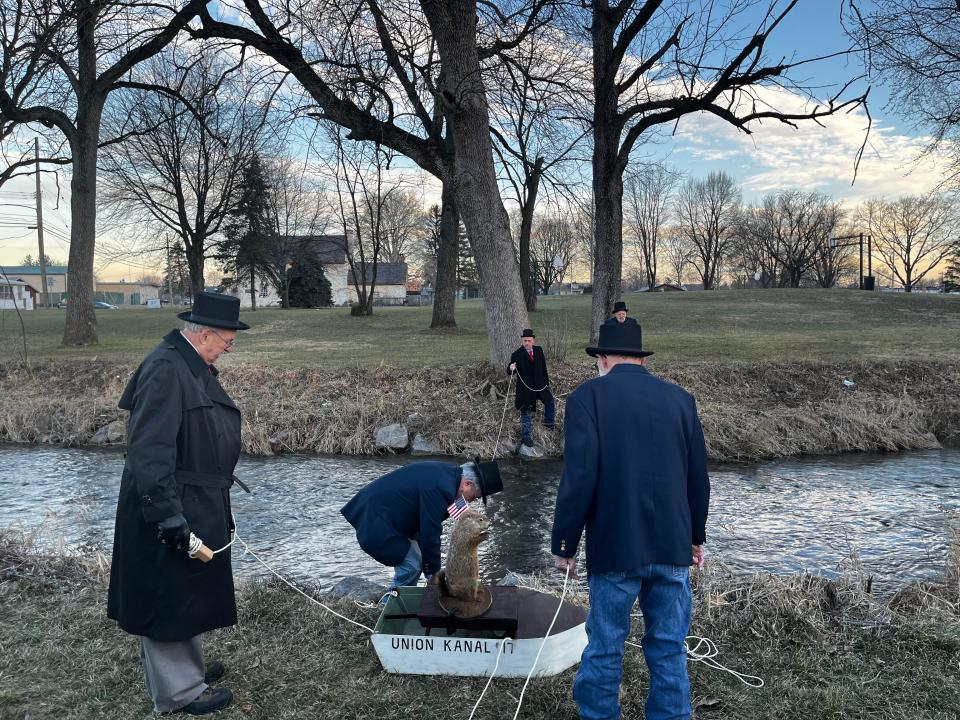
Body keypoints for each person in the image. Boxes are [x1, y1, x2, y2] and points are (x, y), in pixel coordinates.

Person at [551, 320, 710, 720]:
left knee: (605, 645)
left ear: (603, 359)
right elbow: (698, 479)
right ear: (640, 358)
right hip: (673, 544)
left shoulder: (587, 397)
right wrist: (695, 537)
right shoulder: (681, 400)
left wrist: (565, 544)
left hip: (614, 546)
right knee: (669, 646)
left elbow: (579, 476)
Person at [107, 291, 250, 716]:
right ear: (204, 334)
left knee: (187, 591)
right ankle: (179, 692)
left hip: (194, 497)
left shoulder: (189, 363)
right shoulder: (167, 369)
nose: (229, 347)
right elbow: (149, 451)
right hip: (169, 501)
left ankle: (190, 671)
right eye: (227, 340)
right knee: (167, 596)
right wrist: (168, 514)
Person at [341, 458, 503, 595]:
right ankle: (389, 605)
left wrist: (431, 568)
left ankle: (402, 599)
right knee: (412, 566)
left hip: (383, 514)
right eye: (474, 497)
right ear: (467, 484)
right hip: (376, 521)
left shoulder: (448, 474)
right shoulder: (441, 489)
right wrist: (433, 574)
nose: (470, 501)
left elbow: (426, 524)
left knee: (418, 558)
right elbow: (430, 532)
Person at [507, 328, 555, 447]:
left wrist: (546, 383)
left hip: (540, 385)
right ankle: (526, 438)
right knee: (526, 412)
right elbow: (510, 371)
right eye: (524, 341)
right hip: (525, 389)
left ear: (533, 341)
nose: (526, 343)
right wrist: (511, 367)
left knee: (550, 402)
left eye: (528, 340)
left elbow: (543, 368)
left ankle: (549, 425)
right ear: (522, 341)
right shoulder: (517, 354)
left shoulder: (539, 351)